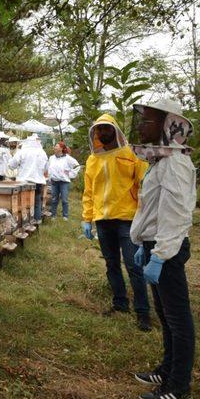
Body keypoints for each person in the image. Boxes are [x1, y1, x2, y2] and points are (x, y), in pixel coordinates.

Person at [129, 99, 196, 399]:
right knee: (165, 315)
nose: (141, 126)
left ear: (169, 125)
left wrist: (161, 252)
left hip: (166, 250)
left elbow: (178, 214)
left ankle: (178, 385)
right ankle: (167, 369)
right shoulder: (161, 160)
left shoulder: (176, 163)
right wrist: (144, 242)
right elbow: (154, 209)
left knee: (178, 318)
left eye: (148, 121)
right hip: (155, 245)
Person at [81, 113, 151, 331]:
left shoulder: (131, 154)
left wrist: (143, 216)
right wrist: (87, 218)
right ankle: (120, 303)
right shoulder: (93, 159)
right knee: (111, 263)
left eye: (106, 129)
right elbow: (89, 191)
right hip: (103, 220)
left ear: (115, 130)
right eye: (99, 130)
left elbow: (144, 185)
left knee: (133, 266)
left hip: (127, 219)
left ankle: (143, 312)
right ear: (95, 133)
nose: (102, 133)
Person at [8, 134, 48, 223]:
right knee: (37, 203)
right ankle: (37, 223)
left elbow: (11, 165)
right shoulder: (42, 153)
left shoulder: (22, 152)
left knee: (22, 204)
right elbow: (46, 169)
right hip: (37, 181)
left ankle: (23, 223)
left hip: (23, 182)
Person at [47, 141, 80, 220]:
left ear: (61, 148)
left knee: (64, 200)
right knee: (54, 199)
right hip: (54, 181)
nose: (55, 147)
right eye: (55, 146)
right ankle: (53, 215)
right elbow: (49, 168)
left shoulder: (67, 158)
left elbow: (77, 166)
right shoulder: (51, 158)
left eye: (57, 146)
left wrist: (70, 173)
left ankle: (65, 216)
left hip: (64, 182)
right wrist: (49, 177)